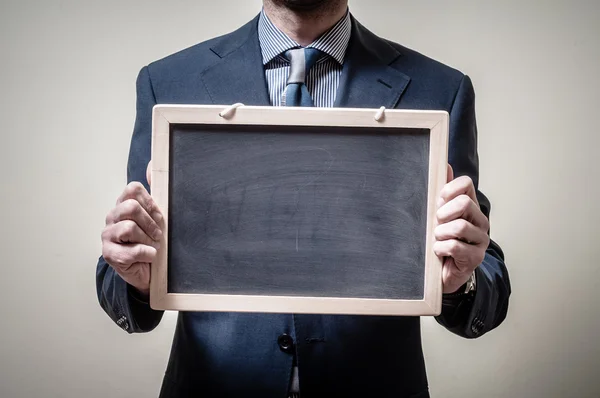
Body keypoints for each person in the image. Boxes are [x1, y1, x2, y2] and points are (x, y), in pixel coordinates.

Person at [96, 0, 511, 397]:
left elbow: (481, 263)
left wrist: (461, 282)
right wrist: (133, 277)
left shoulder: (438, 89)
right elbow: (127, 255)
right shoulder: (170, 81)